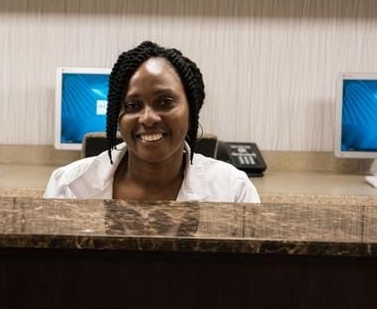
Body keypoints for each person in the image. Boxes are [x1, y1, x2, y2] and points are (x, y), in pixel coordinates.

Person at [44, 41, 259, 202]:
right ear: (116, 116)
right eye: (132, 105)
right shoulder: (67, 186)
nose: (147, 118)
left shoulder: (233, 191)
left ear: (192, 110)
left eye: (165, 102)